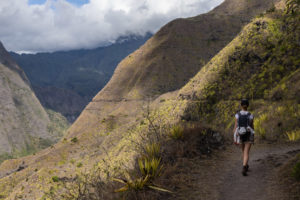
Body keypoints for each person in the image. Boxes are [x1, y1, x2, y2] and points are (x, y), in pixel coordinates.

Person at [233, 99, 254, 176]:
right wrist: (253, 136)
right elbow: (252, 127)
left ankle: (245, 165)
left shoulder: (237, 115)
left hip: (240, 134)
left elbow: (235, 127)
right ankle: (245, 166)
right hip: (248, 134)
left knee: (243, 151)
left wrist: (235, 136)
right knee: (246, 152)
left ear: (241, 105)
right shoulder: (250, 115)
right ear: (248, 106)